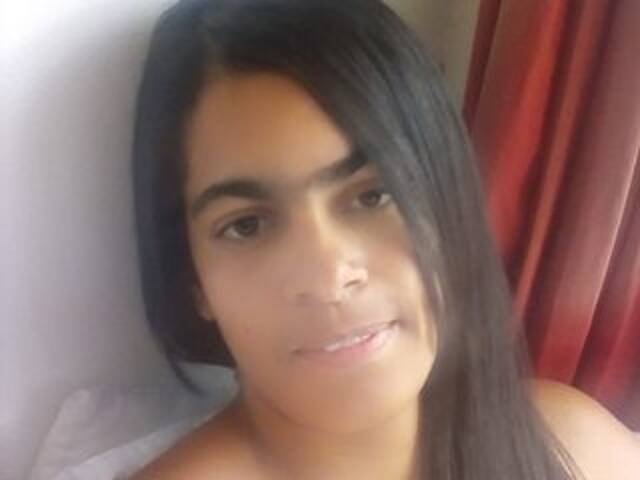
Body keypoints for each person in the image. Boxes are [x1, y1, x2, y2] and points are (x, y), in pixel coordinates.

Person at [130, 0, 640, 479]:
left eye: (374, 195)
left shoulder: (573, 443)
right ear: (193, 281)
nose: (329, 279)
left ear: (447, 202)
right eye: (247, 225)